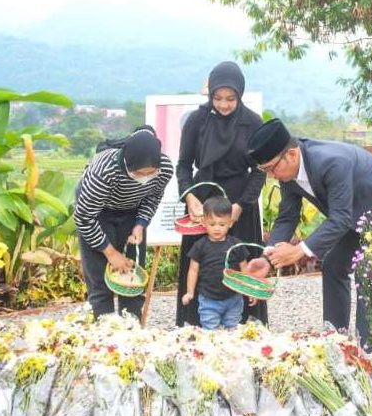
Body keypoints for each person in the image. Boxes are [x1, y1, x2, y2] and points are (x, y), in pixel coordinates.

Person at [247, 118, 372, 348]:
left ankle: (370, 359)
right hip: (355, 215)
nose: (271, 176)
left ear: (290, 154)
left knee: (369, 273)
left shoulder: (331, 161)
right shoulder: (287, 173)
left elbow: (340, 218)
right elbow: (288, 216)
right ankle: (336, 344)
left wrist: (299, 251)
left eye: (271, 168)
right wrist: (267, 258)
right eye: (265, 170)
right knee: (333, 265)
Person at [176, 61, 268, 327]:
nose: (224, 105)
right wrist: (189, 197)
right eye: (218, 98)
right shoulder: (197, 120)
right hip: (203, 198)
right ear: (211, 95)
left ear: (240, 95)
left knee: (242, 259)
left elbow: (260, 170)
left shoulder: (252, 122)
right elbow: (183, 165)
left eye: (231, 99)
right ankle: (195, 327)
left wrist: (241, 205)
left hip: (241, 201)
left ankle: (248, 328)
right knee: (200, 260)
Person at [74, 125, 173, 319]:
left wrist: (140, 223)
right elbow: (84, 217)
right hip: (98, 213)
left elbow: (152, 197)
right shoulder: (104, 169)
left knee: (132, 272)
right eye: (139, 173)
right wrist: (111, 253)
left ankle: (131, 326)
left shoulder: (165, 168)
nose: (144, 179)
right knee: (101, 277)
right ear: (127, 163)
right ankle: (104, 329)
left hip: (131, 212)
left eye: (150, 173)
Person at [181, 196, 250, 330]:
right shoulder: (199, 246)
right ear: (203, 222)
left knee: (232, 329)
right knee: (210, 330)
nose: (217, 228)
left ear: (230, 222)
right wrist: (189, 292)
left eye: (222, 224)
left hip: (233, 298)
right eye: (212, 224)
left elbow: (244, 268)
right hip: (208, 299)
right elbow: (193, 270)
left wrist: (248, 290)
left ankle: (231, 350)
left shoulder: (236, 245)